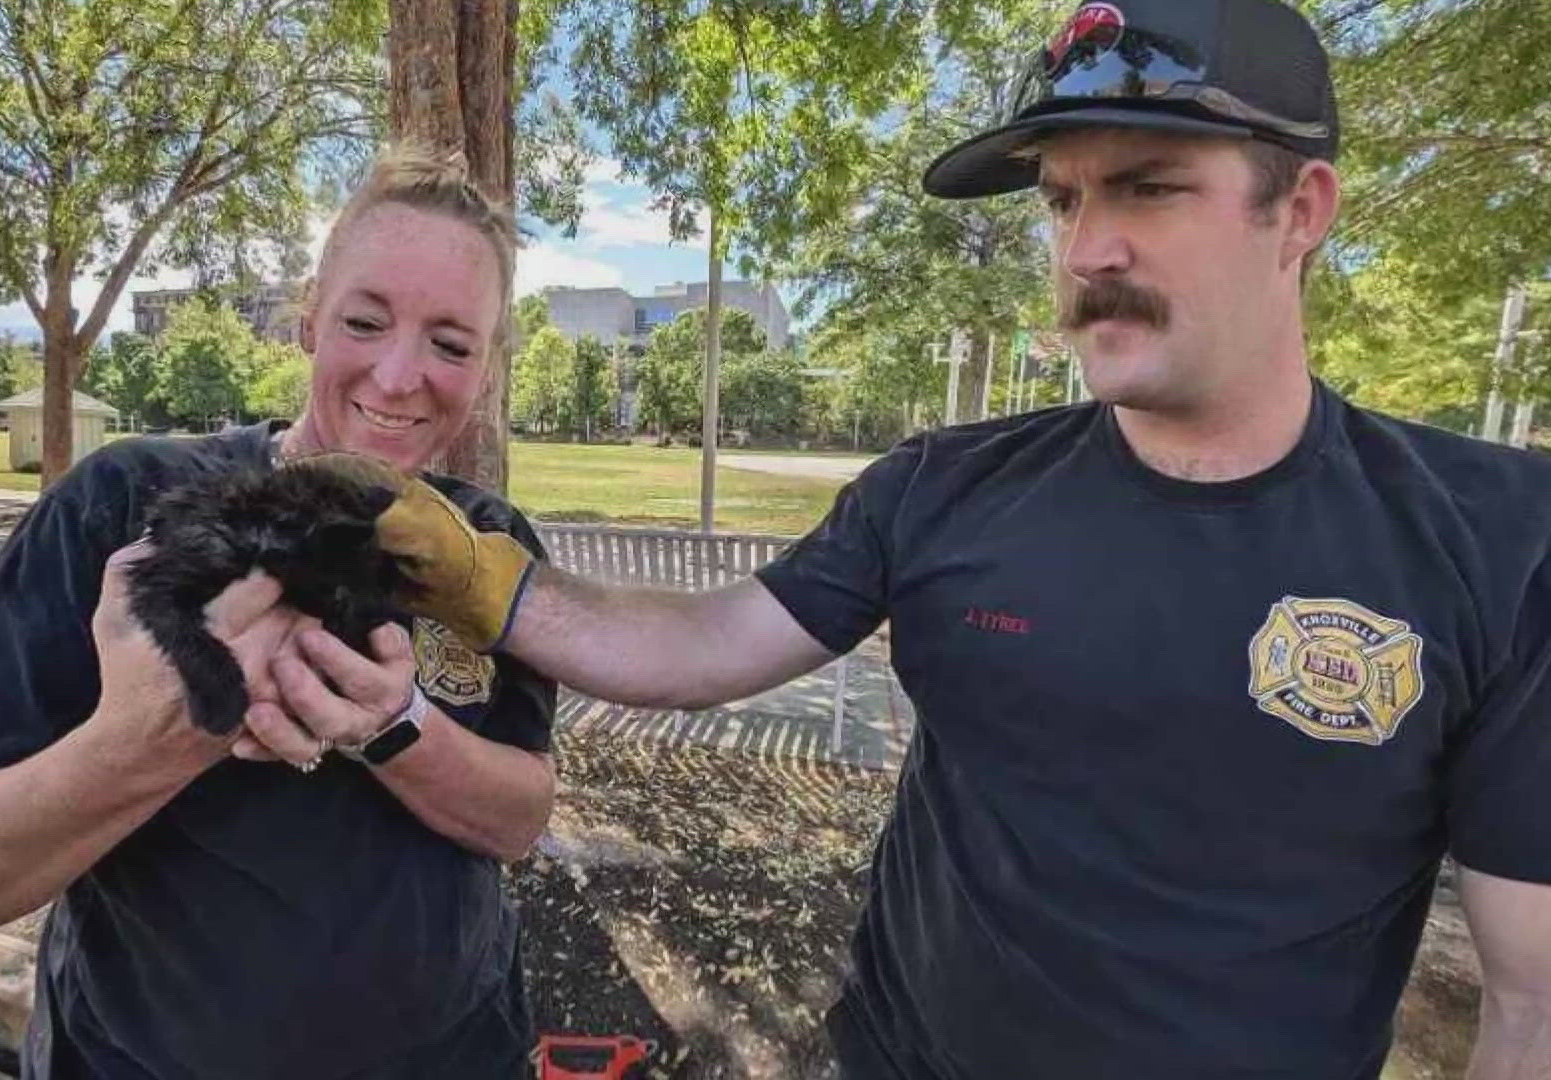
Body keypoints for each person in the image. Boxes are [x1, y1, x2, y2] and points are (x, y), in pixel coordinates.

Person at [303, 1, 1551, 1076]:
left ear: (1303, 210)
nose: (1087, 248)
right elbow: (700, 647)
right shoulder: (944, 488)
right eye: (1063, 200)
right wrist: (473, 572)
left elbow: (1529, 1000)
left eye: (1149, 185)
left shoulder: (1496, 542)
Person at [0, 146, 558, 1079]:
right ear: (308, 318)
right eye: (364, 320)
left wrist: (396, 725)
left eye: (452, 343)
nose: (396, 375)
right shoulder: (123, 506)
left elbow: (520, 817)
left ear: (488, 364)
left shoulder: (487, 546)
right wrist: (156, 734)